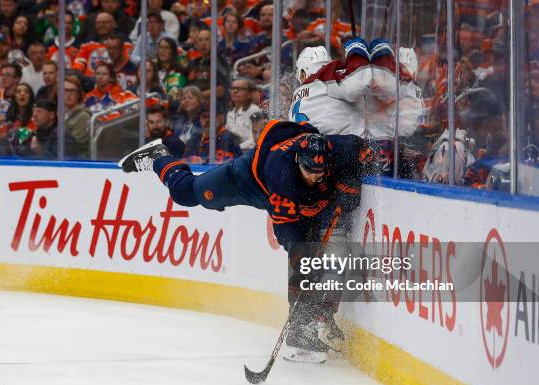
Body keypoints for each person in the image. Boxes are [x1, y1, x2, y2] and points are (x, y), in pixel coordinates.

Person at [119, 120, 368, 363]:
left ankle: (306, 328)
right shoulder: (283, 177)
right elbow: (288, 231)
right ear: (296, 161)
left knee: (320, 258)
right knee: (186, 193)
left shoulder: (337, 148)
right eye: (309, 171)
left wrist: (351, 178)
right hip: (248, 181)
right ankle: (158, 157)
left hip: (297, 201)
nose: (315, 177)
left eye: (320, 172)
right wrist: (302, 260)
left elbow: (370, 154)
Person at [226, 77, 261, 151]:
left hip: (248, 153)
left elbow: (255, 139)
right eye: (233, 88)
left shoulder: (255, 111)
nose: (235, 91)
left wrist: (236, 148)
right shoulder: (230, 112)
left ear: (249, 94)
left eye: (240, 89)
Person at [64, 76, 90, 159]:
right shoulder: (60, 114)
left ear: (78, 94)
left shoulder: (83, 116)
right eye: (66, 90)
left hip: (78, 162)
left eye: (72, 91)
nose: (68, 94)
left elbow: (75, 145)